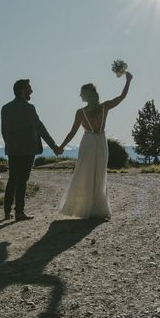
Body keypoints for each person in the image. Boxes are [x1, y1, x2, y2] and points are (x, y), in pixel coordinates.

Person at [56, 71, 133, 219]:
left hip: (89, 142)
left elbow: (72, 132)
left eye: (81, 93)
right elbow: (122, 97)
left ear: (87, 95)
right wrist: (128, 80)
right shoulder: (104, 107)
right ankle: (96, 208)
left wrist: (61, 146)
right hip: (100, 141)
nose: (80, 96)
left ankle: (89, 208)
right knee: (98, 173)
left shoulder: (81, 112)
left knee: (86, 173)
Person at [1, 79, 59, 221]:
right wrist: (54, 146)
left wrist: (10, 145)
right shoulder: (29, 108)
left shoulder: (5, 108)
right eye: (29, 89)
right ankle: (19, 212)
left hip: (13, 149)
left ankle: (7, 211)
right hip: (28, 149)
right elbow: (40, 128)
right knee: (22, 181)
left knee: (12, 179)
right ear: (22, 90)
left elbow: (4, 131)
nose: (31, 91)